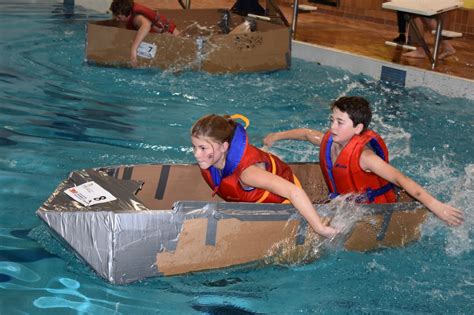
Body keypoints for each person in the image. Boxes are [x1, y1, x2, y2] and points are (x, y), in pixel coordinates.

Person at [263, 96, 464, 227]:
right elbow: (306, 134)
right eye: (332, 120)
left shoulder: (365, 157)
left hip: (371, 213)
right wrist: (276, 136)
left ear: (357, 129)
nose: (333, 127)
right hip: (344, 203)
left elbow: (401, 179)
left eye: (340, 123)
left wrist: (438, 207)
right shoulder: (331, 141)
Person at [191, 114, 337, 238]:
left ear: (224, 147)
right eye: (195, 147)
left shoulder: (248, 174)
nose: (196, 154)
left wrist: (319, 228)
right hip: (255, 198)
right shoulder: (212, 161)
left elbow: (294, 191)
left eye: (203, 148)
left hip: (285, 202)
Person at [109, 0, 180, 66]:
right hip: (168, 33)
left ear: (128, 14)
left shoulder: (136, 18)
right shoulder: (130, 13)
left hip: (172, 36)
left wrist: (133, 51)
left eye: (119, 17)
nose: (117, 19)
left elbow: (146, 25)